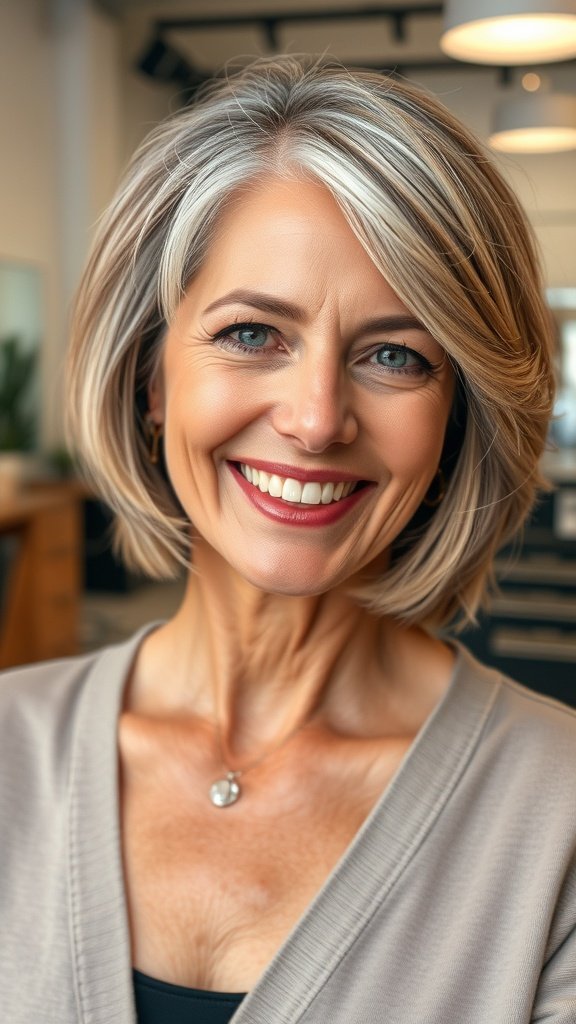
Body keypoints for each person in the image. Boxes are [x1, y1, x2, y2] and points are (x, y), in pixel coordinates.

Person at [1, 55, 574, 1024]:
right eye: (254, 334)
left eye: (394, 354)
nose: (316, 419)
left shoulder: (555, 823)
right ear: (151, 377)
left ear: (457, 417)